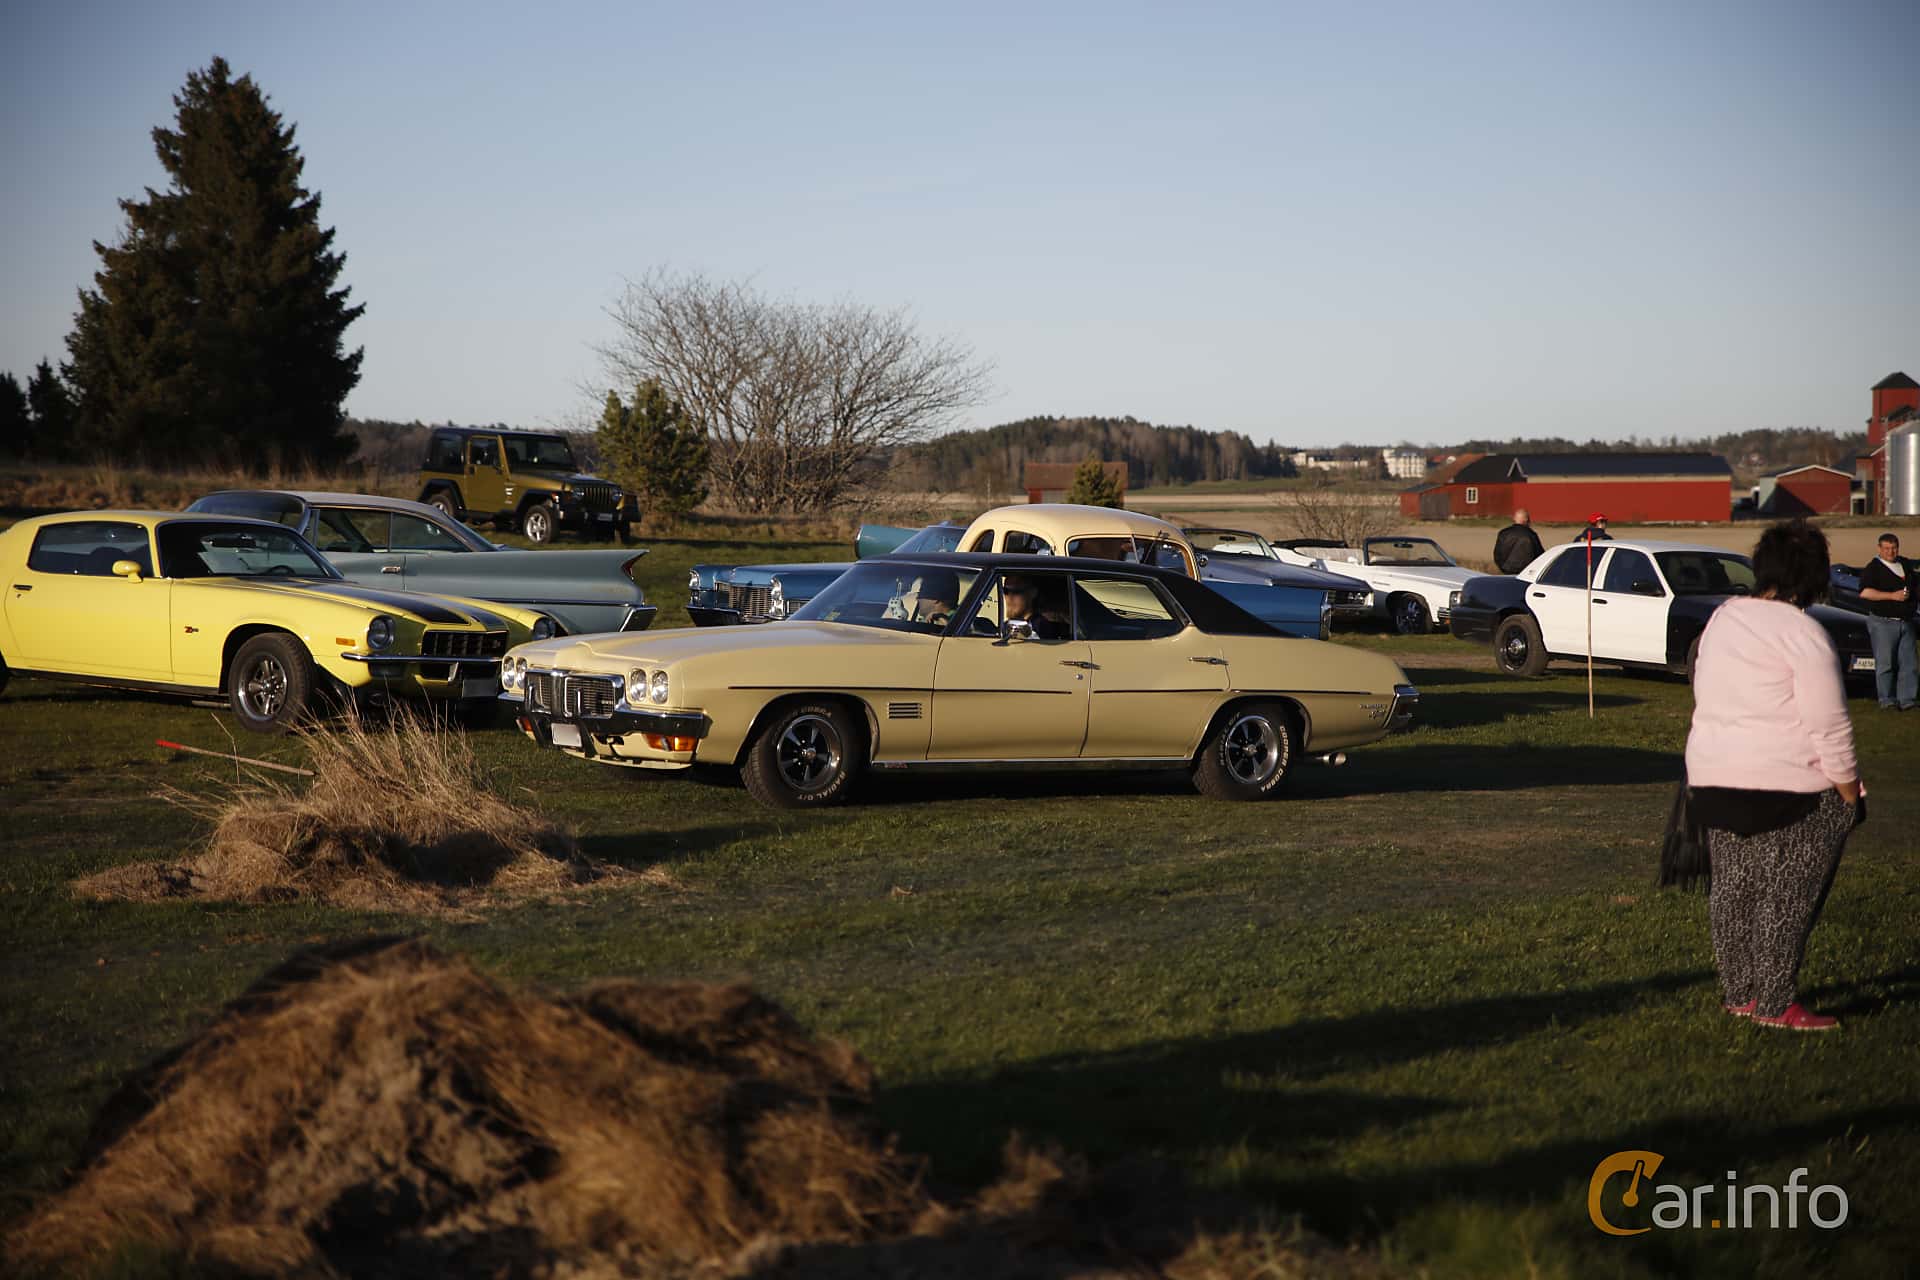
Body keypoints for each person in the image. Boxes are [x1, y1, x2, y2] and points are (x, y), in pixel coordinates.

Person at [1685, 521, 1862, 1032]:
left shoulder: (1723, 618)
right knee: (1786, 893)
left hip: (1712, 776)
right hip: (1786, 787)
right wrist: (1849, 791)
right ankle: (1776, 1001)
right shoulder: (1804, 633)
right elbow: (1829, 723)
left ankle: (1740, 994)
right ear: (1814, 578)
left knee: (1733, 888)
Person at [1855, 532, 1917, 711]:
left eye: (1894, 548)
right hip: (1883, 622)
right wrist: (1892, 596)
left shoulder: (1904, 564)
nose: (1891, 552)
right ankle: (1887, 700)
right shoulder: (1873, 568)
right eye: (1887, 548)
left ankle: (1908, 700)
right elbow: (1865, 592)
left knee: (1909, 664)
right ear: (1879, 549)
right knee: (1886, 664)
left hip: (1906, 621)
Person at [1002, 574, 1068, 639]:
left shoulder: (1042, 627)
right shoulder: (1007, 626)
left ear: (1033, 593)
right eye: (1006, 591)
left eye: (1016, 591)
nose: (1009, 597)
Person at [1492, 508, 1545, 574]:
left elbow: (1497, 554)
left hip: (1506, 571)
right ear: (1526, 519)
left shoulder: (1503, 533)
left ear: (1514, 518)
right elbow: (1540, 555)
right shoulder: (1531, 535)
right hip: (1526, 573)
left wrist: (1503, 568)